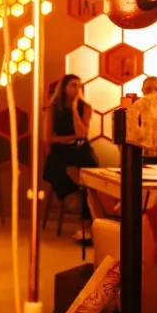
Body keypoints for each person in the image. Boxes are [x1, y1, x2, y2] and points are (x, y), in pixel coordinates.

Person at [42, 74, 97, 238]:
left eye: (79, 86)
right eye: (73, 85)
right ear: (64, 87)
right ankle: (73, 195)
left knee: (92, 178)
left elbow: (81, 134)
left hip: (81, 149)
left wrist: (74, 109)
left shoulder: (85, 107)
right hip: (60, 150)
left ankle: (87, 225)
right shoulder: (53, 108)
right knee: (50, 170)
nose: (76, 89)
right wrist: (71, 138)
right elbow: (48, 138)